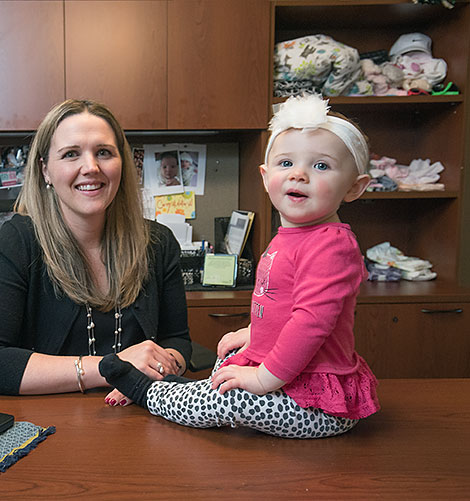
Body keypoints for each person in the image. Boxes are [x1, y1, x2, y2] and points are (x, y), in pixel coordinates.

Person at [99, 94, 380, 438]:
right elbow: (283, 306)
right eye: (286, 163)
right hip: (290, 376)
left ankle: (146, 391)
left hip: (316, 403)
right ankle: (176, 387)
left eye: (320, 166)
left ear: (354, 187)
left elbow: (310, 323)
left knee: (232, 399)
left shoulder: (330, 245)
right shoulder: (291, 235)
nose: (300, 175)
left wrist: (262, 379)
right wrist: (252, 333)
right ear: (266, 177)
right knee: (228, 363)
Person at [0, 99, 191, 403]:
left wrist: (158, 366)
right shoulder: (18, 242)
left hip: (139, 415)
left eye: (104, 152)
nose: (91, 167)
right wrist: (112, 368)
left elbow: (177, 340)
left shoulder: (157, 243)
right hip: (48, 422)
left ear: (122, 163)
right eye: (71, 154)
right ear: (45, 170)